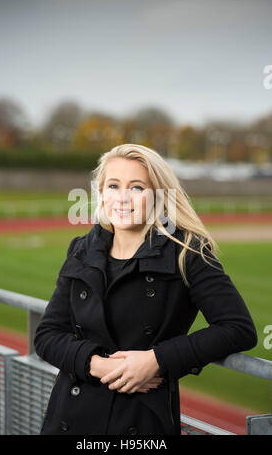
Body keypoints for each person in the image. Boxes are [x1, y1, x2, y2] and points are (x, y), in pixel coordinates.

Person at [34, 143, 257, 436]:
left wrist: (156, 360)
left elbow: (238, 328)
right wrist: (97, 365)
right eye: (113, 185)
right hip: (70, 416)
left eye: (137, 187)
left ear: (159, 196)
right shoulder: (81, 249)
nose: (122, 198)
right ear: (101, 192)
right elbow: (47, 335)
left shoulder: (186, 253)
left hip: (141, 420)